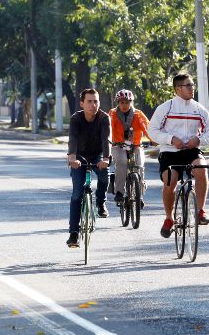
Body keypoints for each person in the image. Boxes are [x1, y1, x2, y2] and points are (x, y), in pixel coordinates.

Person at [148, 73, 209, 239]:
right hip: (170, 151)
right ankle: (169, 218)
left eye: (193, 85)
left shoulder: (199, 109)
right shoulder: (166, 107)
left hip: (191, 150)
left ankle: (200, 211)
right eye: (188, 85)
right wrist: (171, 139)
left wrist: (198, 140)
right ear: (178, 89)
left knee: (201, 170)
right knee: (170, 180)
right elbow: (152, 131)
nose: (192, 88)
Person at [66, 88, 111, 248]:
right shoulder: (76, 118)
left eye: (96, 101)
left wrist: (106, 158)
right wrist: (72, 157)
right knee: (77, 194)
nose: (93, 105)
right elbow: (72, 138)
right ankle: (73, 233)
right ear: (82, 103)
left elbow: (106, 140)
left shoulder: (104, 118)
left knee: (105, 175)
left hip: (98, 155)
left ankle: (100, 202)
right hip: (79, 157)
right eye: (89, 101)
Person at [109, 89, 153, 208]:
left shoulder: (138, 114)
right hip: (118, 146)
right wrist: (108, 140)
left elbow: (147, 128)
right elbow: (109, 129)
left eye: (127, 102)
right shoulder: (112, 114)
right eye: (122, 102)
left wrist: (153, 139)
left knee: (139, 166)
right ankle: (119, 192)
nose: (124, 105)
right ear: (118, 102)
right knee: (122, 162)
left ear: (131, 102)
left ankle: (139, 196)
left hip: (136, 146)